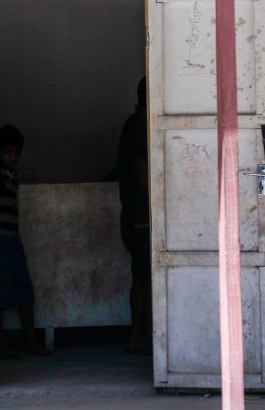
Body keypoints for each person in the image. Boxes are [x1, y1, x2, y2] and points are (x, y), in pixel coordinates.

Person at [0, 124, 50, 356]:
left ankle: (30, 340)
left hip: (12, 238)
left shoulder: (13, 174)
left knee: (23, 290)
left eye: (17, 153)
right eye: (8, 152)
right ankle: (2, 345)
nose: (13, 157)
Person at [118, 78, 152, 353]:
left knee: (144, 277)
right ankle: (138, 336)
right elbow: (142, 171)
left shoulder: (137, 126)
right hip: (140, 216)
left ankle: (141, 335)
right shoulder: (138, 126)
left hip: (137, 214)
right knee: (143, 278)